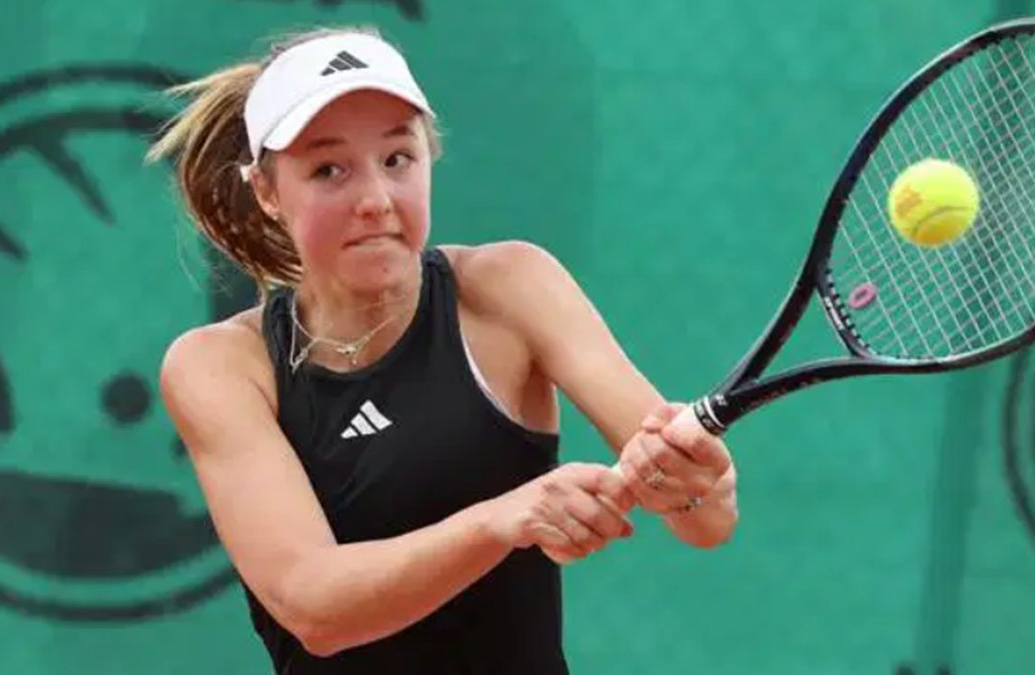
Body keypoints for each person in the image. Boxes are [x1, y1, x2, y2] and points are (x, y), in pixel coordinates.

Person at [149, 25, 739, 675]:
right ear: (267, 191)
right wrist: (503, 520)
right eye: (328, 170)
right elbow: (314, 606)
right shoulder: (223, 367)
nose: (375, 200)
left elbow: (703, 518)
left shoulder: (511, 288)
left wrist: (695, 483)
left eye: (397, 158)